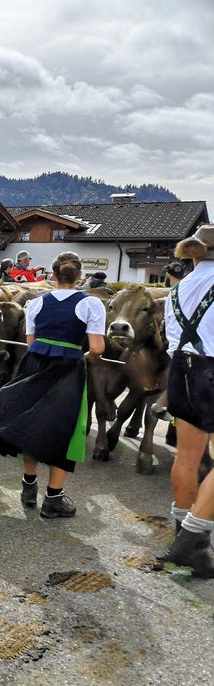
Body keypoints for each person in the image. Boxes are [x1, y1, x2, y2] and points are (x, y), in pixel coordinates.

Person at [0, 252, 106, 518]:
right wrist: (88, 356)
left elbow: (31, 344)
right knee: (63, 430)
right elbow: (98, 347)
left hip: (35, 365)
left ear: (52, 276)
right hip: (68, 367)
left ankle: (29, 485)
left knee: (32, 424)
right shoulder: (91, 304)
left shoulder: (37, 303)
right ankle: (53, 499)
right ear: (79, 277)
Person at [163, 225, 214, 578]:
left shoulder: (176, 289)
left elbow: (171, 336)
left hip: (180, 369)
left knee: (187, 456)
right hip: (213, 370)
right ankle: (192, 540)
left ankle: (183, 529)